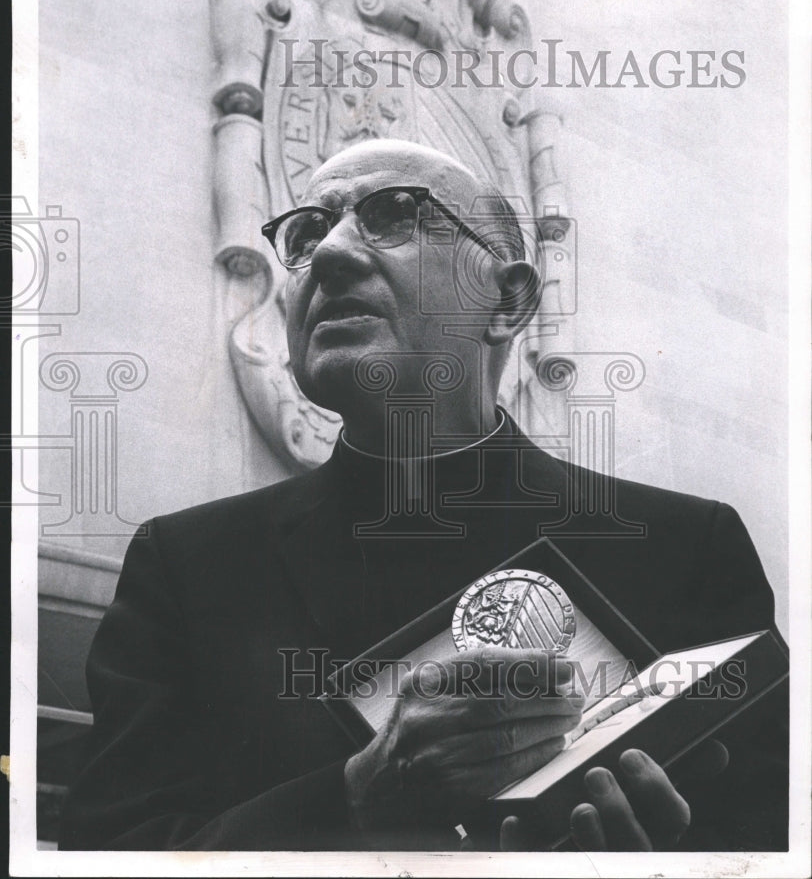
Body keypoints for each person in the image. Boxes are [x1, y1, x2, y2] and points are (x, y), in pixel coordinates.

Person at [58, 139, 787, 853]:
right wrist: (355, 797)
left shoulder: (687, 549)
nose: (332, 254)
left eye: (395, 215)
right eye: (307, 233)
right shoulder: (188, 566)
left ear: (506, 302)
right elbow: (109, 851)